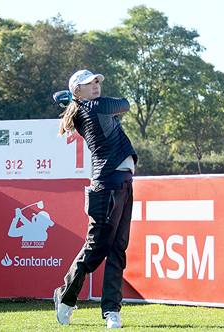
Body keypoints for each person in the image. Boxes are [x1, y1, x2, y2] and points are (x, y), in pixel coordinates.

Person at [52, 69, 137, 329]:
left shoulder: (85, 106)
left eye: (98, 81)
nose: (97, 86)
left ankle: (111, 311)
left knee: (117, 250)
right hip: (106, 186)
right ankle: (65, 296)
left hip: (123, 183)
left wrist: (75, 98)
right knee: (95, 249)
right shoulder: (96, 106)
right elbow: (125, 103)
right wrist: (78, 99)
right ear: (78, 90)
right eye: (90, 84)